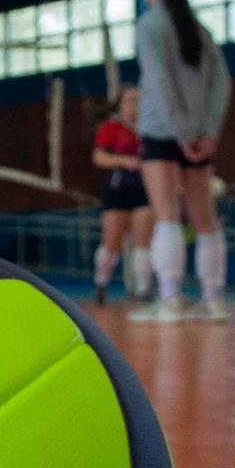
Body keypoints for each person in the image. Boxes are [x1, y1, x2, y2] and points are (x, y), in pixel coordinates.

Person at [129, 0, 232, 324]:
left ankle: (170, 301)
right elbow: (222, 85)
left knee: (167, 216)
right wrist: (207, 133)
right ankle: (213, 299)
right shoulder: (199, 30)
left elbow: (158, 83)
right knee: (205, 218)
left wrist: (183, 133)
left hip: (162, 131)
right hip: (199, 136)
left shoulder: (148, 26)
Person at [92, 85, 154, 305]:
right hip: (117, 191)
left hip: (146, 190)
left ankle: (143, 290)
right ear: (120, 104)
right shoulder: (111, 129)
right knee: (111, 243)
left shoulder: (151, 129)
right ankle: (101, 283)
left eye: (138, 99)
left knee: (142, 242)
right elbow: (99, 158)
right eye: (129, 99)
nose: (134, 103)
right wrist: (125, 161)